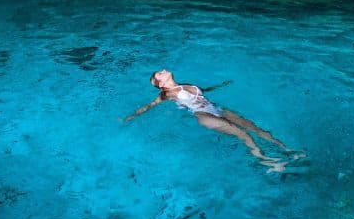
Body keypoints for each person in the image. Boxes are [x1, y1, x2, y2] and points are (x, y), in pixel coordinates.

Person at [125, 68, 300, 172]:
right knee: (242, 134)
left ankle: (287, 150)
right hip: (204, 116)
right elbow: (149, 106)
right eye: (159, 74)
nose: (162, 70)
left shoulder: (184, 84)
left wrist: (221, 85)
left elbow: (203, 90)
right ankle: (268, 162)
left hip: (215, 108)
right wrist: (131, 116)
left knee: (257, 129)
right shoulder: (166, 93)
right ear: (161, 84)